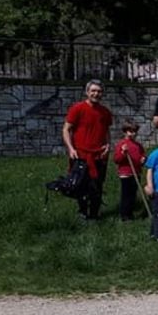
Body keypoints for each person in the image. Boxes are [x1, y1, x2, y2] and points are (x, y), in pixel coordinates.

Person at [62, 79, 113, 219]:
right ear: (87, 92)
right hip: (81, 155)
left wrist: (108, 145)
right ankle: (83, 212)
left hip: (99, 155)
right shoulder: (77, 109)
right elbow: (66, 129)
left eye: (99, 91)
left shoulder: (105, 112)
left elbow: (106, 131)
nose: (96, 94)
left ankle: (94, 215)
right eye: (93, 91)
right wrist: (71, 149)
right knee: (80, 185)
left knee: (97, 186)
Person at [112, 121, 145, 221]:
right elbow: (116, 159)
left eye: (135, 131)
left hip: (136, 172)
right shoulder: (121, 144)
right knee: (126, 195)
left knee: (133, 194)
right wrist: (122, 152)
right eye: (130, 131)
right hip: (126, 174)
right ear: (125, 132)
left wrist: (143, 159)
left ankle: (130, 213)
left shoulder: (138, 145)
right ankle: (124, 215)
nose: (133, 133)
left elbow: (142, 155)